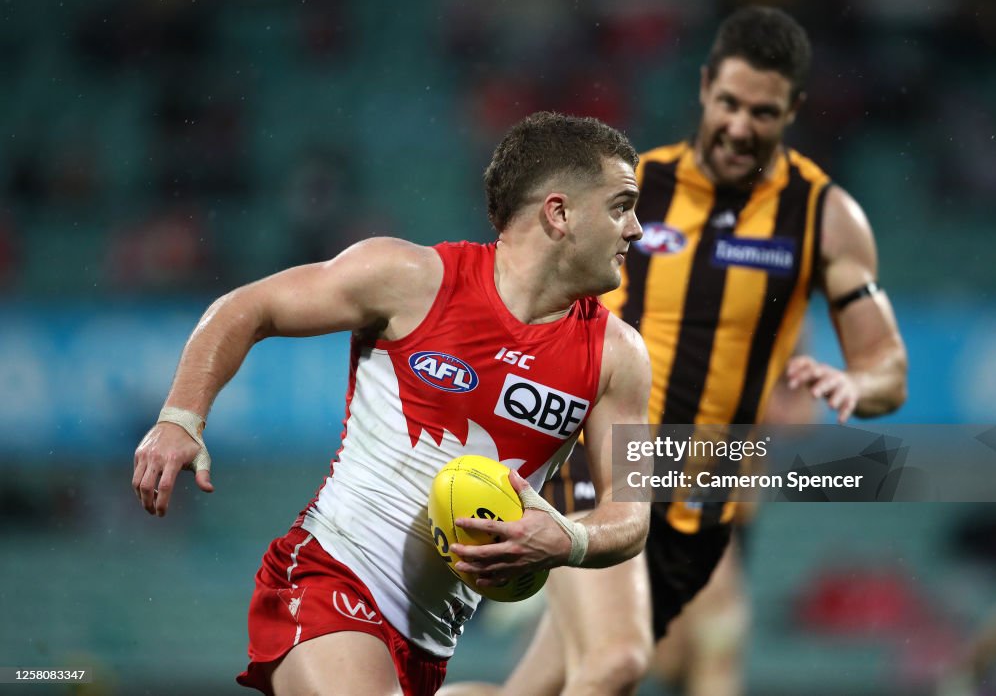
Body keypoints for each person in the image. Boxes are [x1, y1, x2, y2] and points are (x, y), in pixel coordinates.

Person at [439, 6, 908, 696]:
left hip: (709, 495)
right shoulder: (632, 188)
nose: (741, 126)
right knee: (623, 662)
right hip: (606, 459)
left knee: (572, 679)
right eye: (729, 103)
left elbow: (886, 369)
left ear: (795, 110)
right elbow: (535, 294)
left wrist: (853, 387)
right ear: (704, 85)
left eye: (764, 112)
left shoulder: (823, 217)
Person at [130, 111, 654, 696]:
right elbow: (245, 308)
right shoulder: (409, 277)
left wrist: (569, 539)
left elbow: (631, 514)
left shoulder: (620, 356)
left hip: (430, 641)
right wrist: (179, 418)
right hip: (330, 575)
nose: (636, 229)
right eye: (621, 205)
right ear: (558, 213)